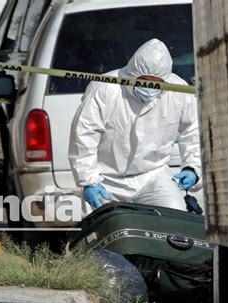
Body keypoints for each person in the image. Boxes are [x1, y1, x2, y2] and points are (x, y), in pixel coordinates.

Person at [69, 39, 201, 211]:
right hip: (107, 180)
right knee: (106, 230)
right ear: (132, 75)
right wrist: (88, 180)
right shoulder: (105, 89)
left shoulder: (178, 90)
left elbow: (193, 131)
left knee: (175, 220)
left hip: (153, 176)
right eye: (144, 81)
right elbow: (84, 135)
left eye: (156, 83)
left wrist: (193, 167)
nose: (149, 88)